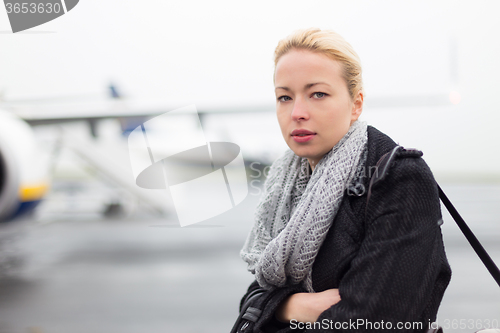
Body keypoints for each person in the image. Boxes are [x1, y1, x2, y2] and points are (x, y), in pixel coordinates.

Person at [237, 28, 451, 333]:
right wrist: (293, 306)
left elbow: (376, 321)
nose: (297, 112)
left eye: (318, 94)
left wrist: (273, 309)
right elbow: (251, 298)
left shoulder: (398, 178)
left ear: (356, 104)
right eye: (284, 97)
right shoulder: (285, 184)